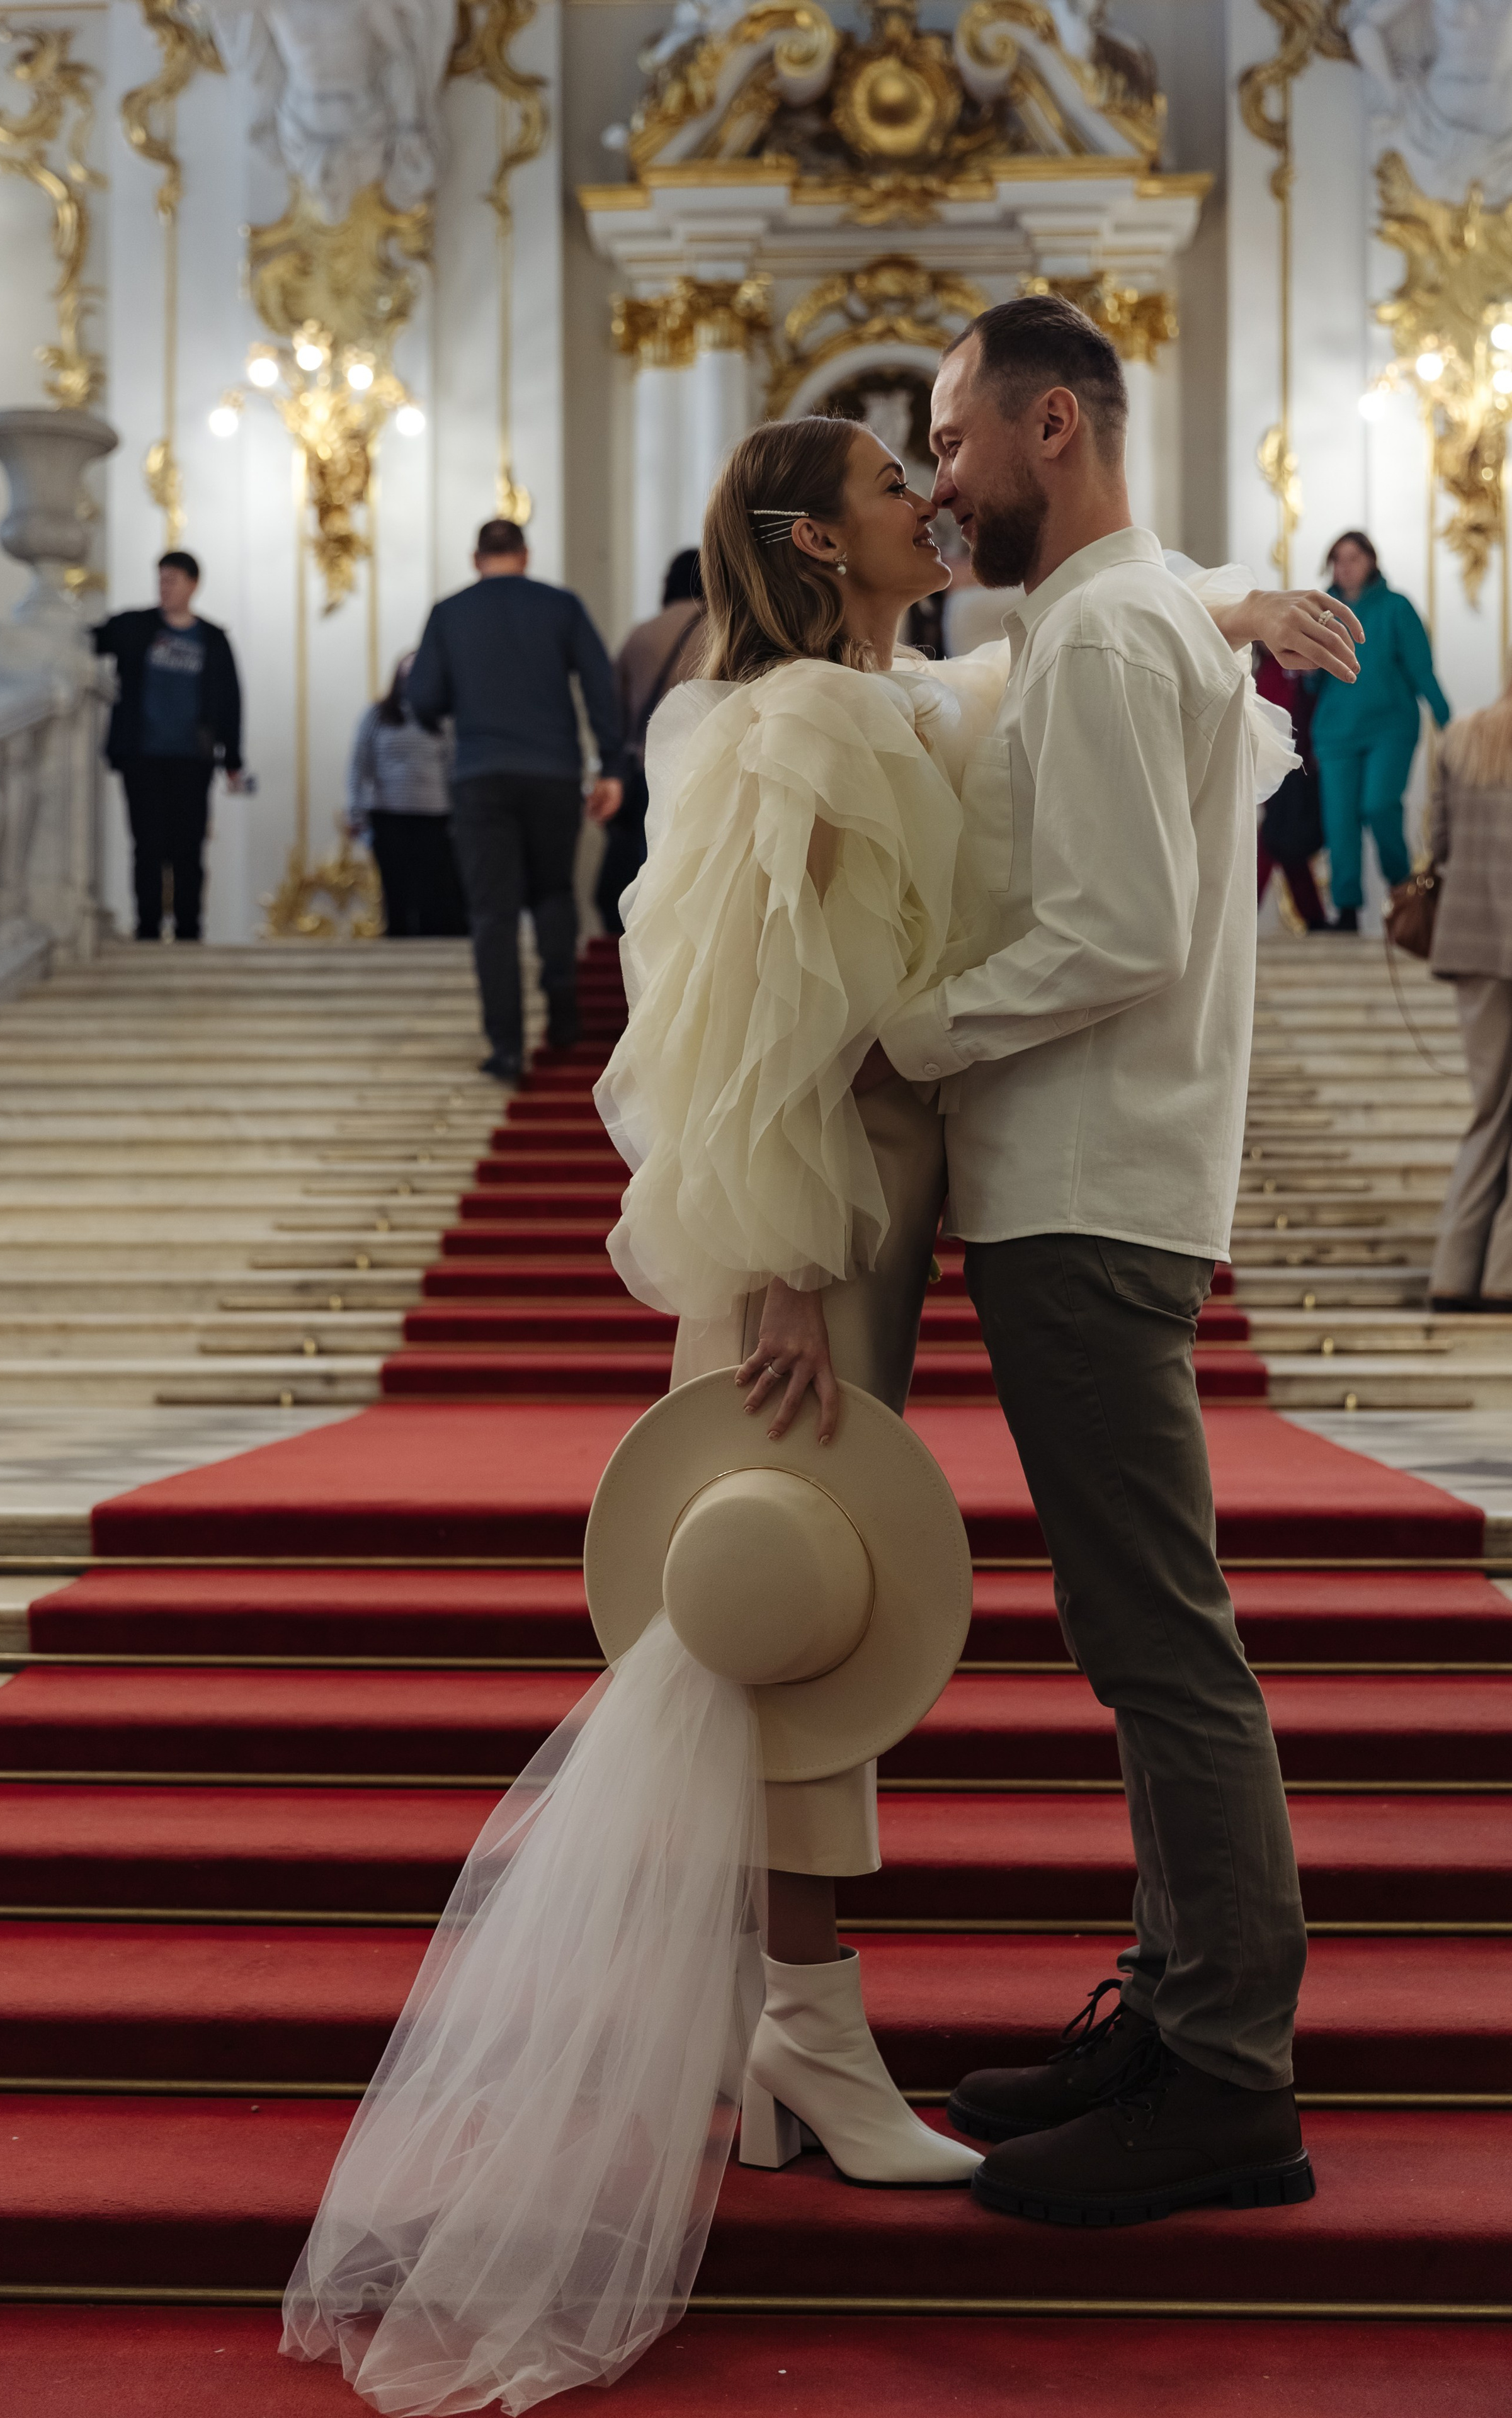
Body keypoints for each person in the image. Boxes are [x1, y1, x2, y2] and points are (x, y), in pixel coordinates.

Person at [279, 406, 1359, 2414]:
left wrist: (1229, 601)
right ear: (807, 532)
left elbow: (1061, 651)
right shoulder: (782, 713)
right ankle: (809, 2027)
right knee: (785, 1610)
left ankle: (795, 2027)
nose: (927, 499)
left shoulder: (887, 681)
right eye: (891, 484)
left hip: (874, 1187)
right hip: (806, 1201)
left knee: (821, 1605)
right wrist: (772, 1251)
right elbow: (742, 996)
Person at [858, 292, 1367, 2226]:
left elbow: (1112, 933)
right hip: (1098, 1174)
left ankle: (1225, 2071)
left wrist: (901, 1029)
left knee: (1159, 1641)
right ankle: (1171, 2011)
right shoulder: (1114, 620)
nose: (939, 475)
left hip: (1085, 1180)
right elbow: (1197, 805)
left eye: (954, 432)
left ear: (1051, 424)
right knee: (1138, 1632)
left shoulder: (1103, 627)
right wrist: (1224, 611)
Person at [407, 519, 624, 1081]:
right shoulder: (562, 606)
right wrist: (611, 767)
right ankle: (562, 1011)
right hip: (553, 772)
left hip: (480, 774)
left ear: (476, 558)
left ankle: (507, 1046)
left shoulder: (449, 613)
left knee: (493, 912)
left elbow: (423, 696)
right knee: (553, 890)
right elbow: (601, 686)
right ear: (525, 556)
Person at [91, 551, 243, 943]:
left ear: (193, 585)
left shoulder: (212, 639)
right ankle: (147, 928)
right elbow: (89, 641)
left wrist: (233, 759)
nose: (165, 588)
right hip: (142, 756)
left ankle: (190, 930)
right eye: (161, 580)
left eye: (172, 580)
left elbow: (229, 700)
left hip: (193, 759)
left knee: (189, 848)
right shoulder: (134, 627)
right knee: (147, 845)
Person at [1307, 528, 1448, 930]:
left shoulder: (1397, 608)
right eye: (1337, 558)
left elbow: (1422, 670)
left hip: (1391, 728)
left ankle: (1403, 896)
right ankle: (1347, 912)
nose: (1345, 566)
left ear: (1371, 561)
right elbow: (1311, 682)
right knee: (1339, 821)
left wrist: (1451, 726)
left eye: (1353, 558)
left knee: (1379, 805)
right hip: (1336, 734)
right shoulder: (1323, 611)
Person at [1426, 671, 1512, 1309]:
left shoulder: (1458, 738)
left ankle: (1453, 1272)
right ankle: (1503, 1275)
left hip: (1473, 942)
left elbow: (1437, 844)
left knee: (1489, 1111)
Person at [598, 548, 706, 934]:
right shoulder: (724, 630)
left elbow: (618, 713)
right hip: (707, 768)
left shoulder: (641, 635)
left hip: (650, 769)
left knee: (650, 872)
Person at [346, 654, 466, 938]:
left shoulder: (443, 719)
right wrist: (356, 811)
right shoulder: (377, 715)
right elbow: (359, 765)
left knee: (433, 889)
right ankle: (398, 942)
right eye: (406, 674)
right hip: (390, 815)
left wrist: (460, 813)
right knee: (397, 887)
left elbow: (453, 767)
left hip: (434, 815)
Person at [1254, 645, 1329, 931]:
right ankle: (1315, 918)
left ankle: (1314, 918)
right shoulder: (1264, 667)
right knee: (1280, 840)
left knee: (1282, 840)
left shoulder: (1303, 664)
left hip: (1300, 767)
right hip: (1272, 764)